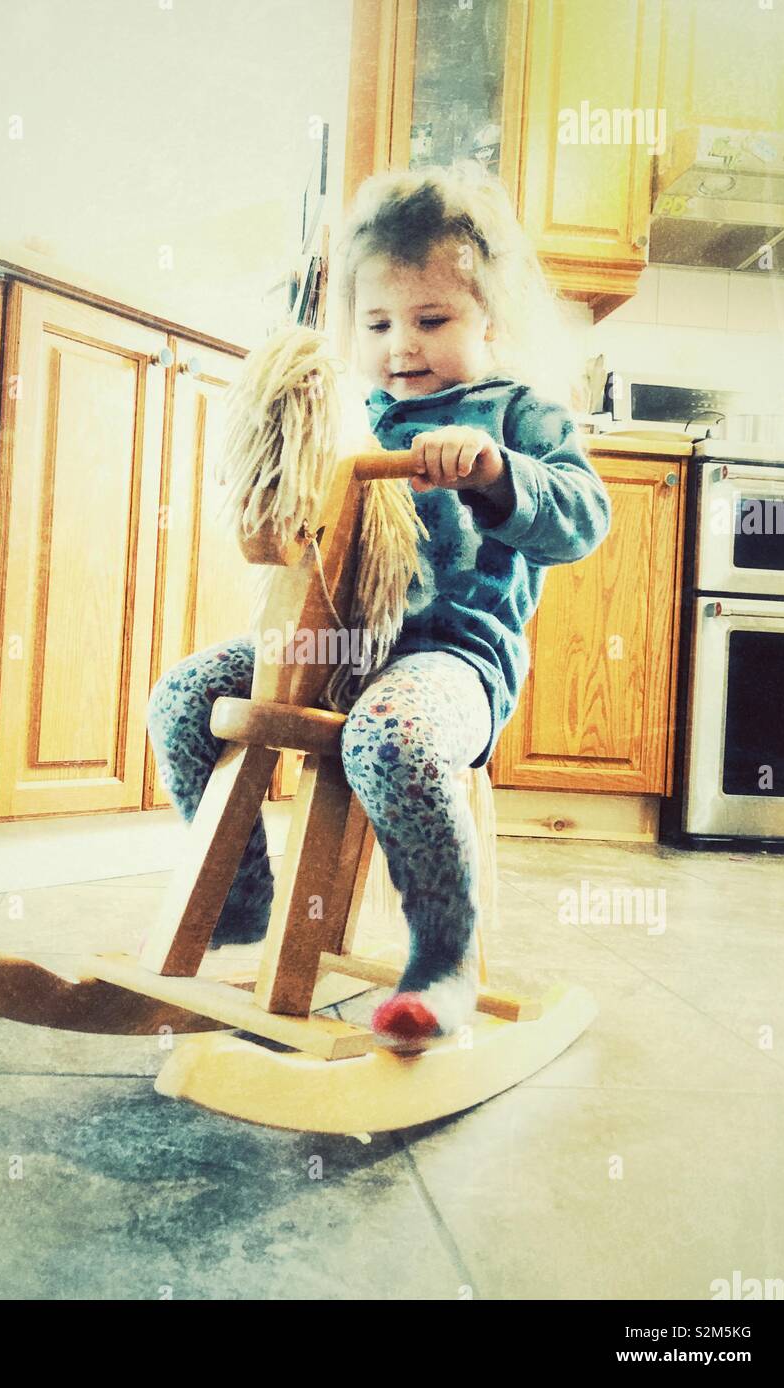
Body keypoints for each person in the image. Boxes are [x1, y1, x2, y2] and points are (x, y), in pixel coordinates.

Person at [146, 163, 612, 1047]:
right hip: (337, 651)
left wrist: (493, 472)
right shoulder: (356, 417)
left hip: (452, 664)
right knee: (185, 697)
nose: (403, 345)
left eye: (432, 320)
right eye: (378, 323)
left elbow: (583, 520)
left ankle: (441, 956)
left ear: (489, 318)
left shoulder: (518, 415)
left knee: (389, 733)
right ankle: (242, 907)